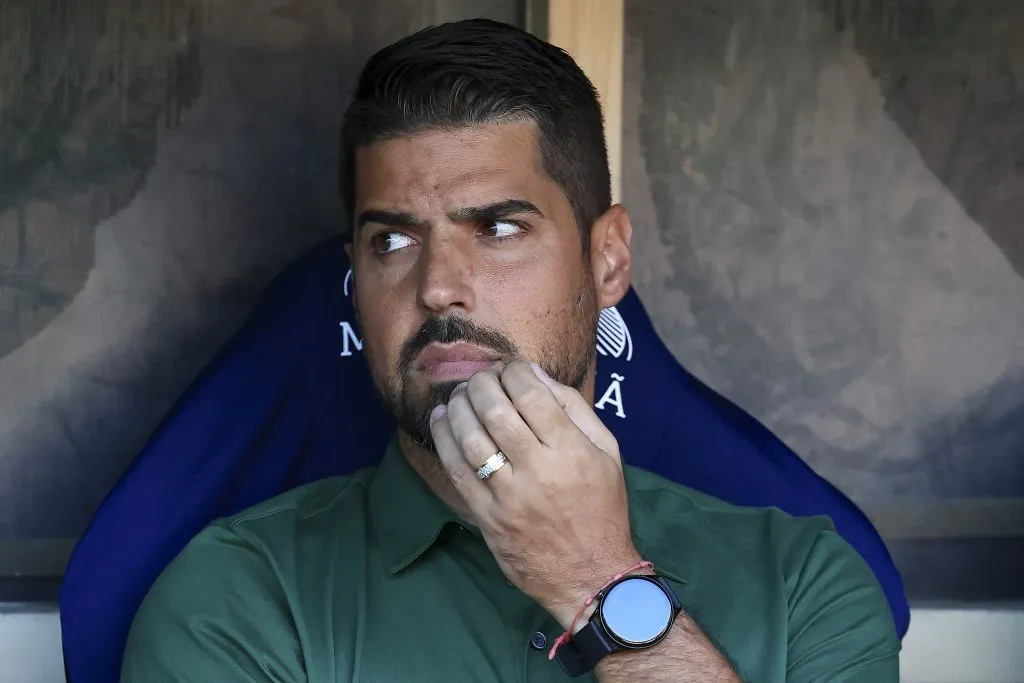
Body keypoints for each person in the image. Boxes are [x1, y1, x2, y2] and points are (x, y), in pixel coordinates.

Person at [121, 19, 900, 682]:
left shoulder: (803, 581)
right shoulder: (237, 594)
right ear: (355, 278)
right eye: (393, 239)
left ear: (608, 261)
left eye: (496, 229)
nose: (438, 288)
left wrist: (598, 578)